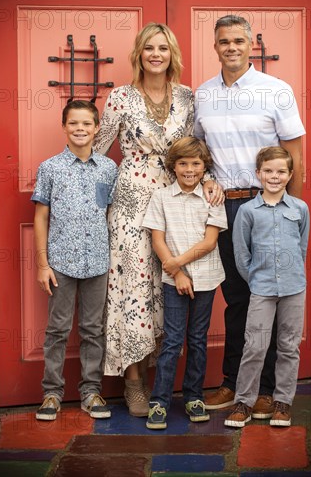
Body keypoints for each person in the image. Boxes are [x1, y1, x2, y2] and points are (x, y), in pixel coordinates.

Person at [93, 23, 223, 417]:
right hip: (131, 201)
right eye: (148, 47)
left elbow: (201, 147)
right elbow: (99, 153)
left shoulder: (187, 97)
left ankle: (166, 378)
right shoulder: (120, 98)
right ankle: (134, 379)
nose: (155, 54)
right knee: (133, 290)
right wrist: (92, 208)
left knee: (171, 281)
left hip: (178, 200)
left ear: (172, 54)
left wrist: (211, 178)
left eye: (162, 48)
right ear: (139, 53)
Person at [194, 14, 306, 418]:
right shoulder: (204, 95)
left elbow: (295, 154)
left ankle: (268, 390)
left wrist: (289, 210)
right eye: (224, 41)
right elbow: (200, 149)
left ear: (250, 44)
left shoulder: (275, 91)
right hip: (225, 210)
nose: (232, 48)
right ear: (216, 46)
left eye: (239, 41)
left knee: (271, 295)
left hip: (268, 205)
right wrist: (207, 177)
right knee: (239, 299)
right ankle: (233, 384)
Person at [32, 100, 118, 421]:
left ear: (97, 128)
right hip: (60, 265)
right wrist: (43, 263)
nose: (80, 129)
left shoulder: (109, 169)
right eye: (73, 124)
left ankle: (90, 391)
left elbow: (110, 212)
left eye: (86, 124)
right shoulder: (51, 168)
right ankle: (52, 393)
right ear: (64, 127)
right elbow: (41, 217)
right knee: (57, 329)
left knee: (93, 329)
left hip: (98, 263)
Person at [141, 137, 227, 429]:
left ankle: (193, 397)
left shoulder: (213, 198)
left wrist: (179, 263)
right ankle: (159, 402)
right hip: (173, 281)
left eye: (196, 164)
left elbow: (210, 241)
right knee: (173, 340)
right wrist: (176, 272)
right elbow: (157, 239)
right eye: (183, 163)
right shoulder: (162, 197)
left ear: (204, 168)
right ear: (173, 166)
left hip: (206, 278)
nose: (189, 169)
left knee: (197, 339)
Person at [225, 146, 310, 427]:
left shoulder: (300, 209)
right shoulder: (248, 211)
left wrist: (292, 273)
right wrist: (257, 281)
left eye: (281, 171)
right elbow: (241, 254)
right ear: (259, 173)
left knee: (288, 346)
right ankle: (244, 402)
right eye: (269, 171)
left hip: (293, 288)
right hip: (261, 289)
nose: (275, 176)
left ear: (290, 175)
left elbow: (302, 246)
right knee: (255, 346)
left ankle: (282, 402)